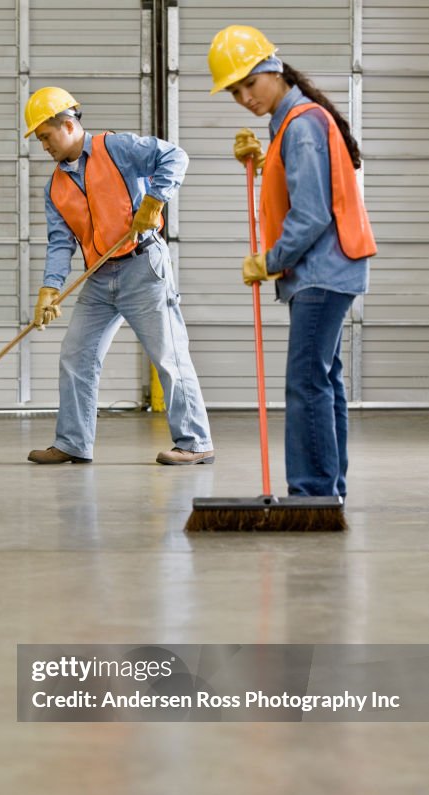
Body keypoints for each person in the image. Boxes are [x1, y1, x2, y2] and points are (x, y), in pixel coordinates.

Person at [207, 26, 376, 498]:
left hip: (321, 272)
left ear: (273, 68)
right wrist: (262, 161)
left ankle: (312, 491)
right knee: (323, 381)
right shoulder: (293, 123)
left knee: (305, 383)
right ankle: (327, 489)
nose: (244, 97)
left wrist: (269, 260)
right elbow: (299, 182)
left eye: (249, 83)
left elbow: (311, 213)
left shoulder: (300, 125)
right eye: (235, 91)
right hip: (330, 271)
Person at [23, 86, 214, 466]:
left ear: (67, 124)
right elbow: (61, 243)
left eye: (45, 136)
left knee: (168, 355)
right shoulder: (56, 187)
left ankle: (195, 442)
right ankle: (73, 443)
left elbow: (175, 156)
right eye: (40, 139)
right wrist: (49, 289)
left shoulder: (117, 148)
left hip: (143, 266)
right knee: (76, 355)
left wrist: (155, 200)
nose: (43, 145)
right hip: (97, 277)